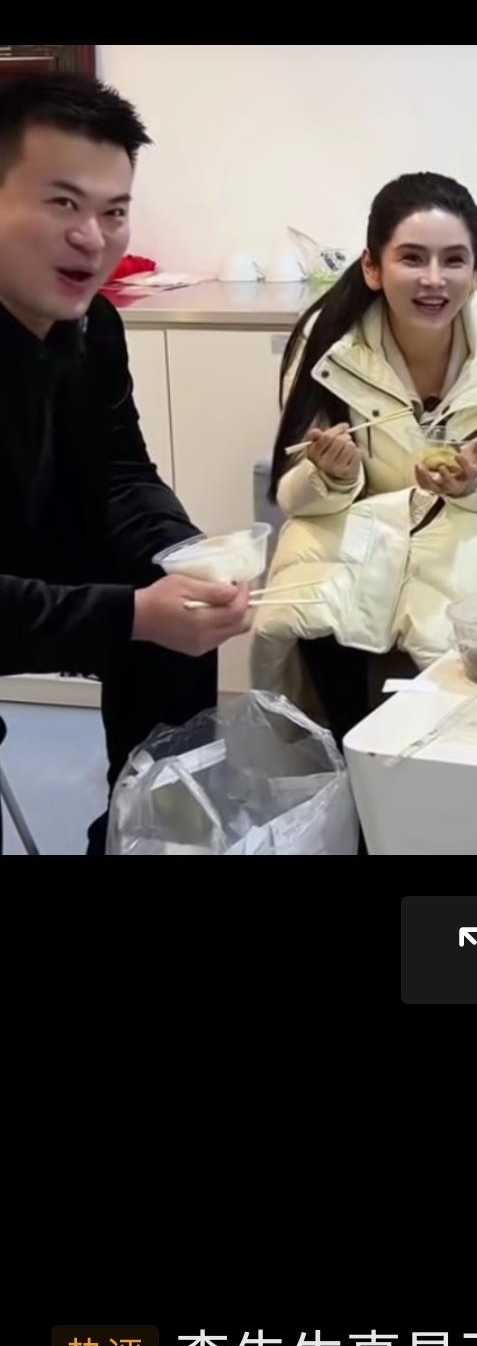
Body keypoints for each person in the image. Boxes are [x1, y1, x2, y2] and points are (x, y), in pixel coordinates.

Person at [0, 71, 251, 854]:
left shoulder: (93, 327)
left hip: (31, 552)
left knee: (177, 618)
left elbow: (120, 472)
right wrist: (130, 613)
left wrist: (188, 556)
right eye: (62, 203)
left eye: (114, 212)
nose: (93, 237)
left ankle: (143, 831)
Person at [255, 173, 477, 744]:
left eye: (453, 260)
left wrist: (476, 483)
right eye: (412, 258)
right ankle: (345, 751)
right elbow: (291, 498)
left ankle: (445, 756)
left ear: (475, 271)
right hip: (362, 517)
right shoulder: (329, 342)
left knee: (461, 580)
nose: (434, 280)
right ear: (373, 268)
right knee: (310, 585)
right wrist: (332, 476)